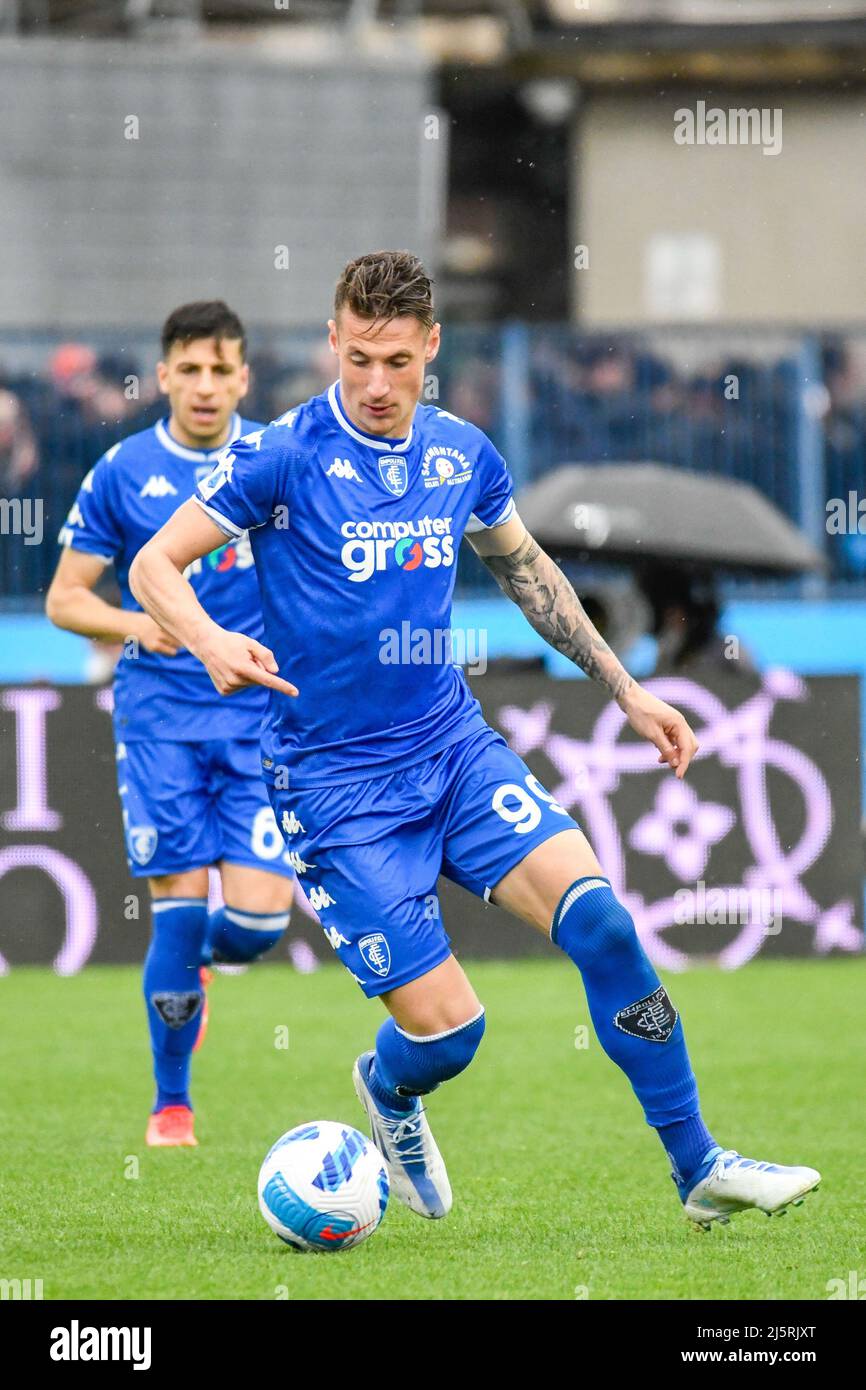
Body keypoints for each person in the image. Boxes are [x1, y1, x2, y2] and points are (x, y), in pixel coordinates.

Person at [128, 253, 819, 1229]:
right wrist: (205, 638)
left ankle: (697, 1166)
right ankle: (388, 1088)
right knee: (453, 1035)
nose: (375, 383)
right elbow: (154, 565)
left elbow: (529, 572)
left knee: (603, 925)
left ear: (431, 350)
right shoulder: (279, 456)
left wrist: (625, 689)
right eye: (359, 357)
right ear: (333, 340)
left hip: (450, 749)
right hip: (333, 787)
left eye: (397, 362)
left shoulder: (461, 455)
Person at [46, 301, 295, 1149]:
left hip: (259, 713)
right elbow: (65, 596)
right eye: (188, 369)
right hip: (159, 720)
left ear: (244, 378)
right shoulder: (124, 471)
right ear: (162, 377)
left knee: (260, 921)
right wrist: (137, 625)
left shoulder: (277, 456)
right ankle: (172, 1107)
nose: (205, 385)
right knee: (177, 910)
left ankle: (200, 970)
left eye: (221, 369)